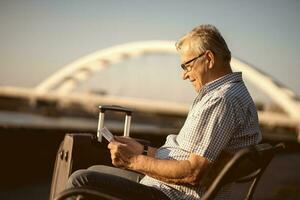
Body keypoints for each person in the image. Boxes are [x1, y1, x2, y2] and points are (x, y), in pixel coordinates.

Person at [66, 24, 262, 200]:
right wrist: (142, 151)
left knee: (81, 181)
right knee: (92, 171)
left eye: (187, 65)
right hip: (171, 187)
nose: (184, 75)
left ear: (209, 58)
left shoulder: (221, 101)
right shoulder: (230, 94)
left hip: (173, 194)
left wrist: (133, 161)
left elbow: (193, 173)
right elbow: (186, 156)